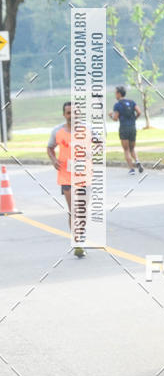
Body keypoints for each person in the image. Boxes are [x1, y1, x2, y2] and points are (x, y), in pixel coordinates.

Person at [47, 101, 87, 258]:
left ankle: (80, 236)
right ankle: (78, 242)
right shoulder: (57, 131)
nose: (72, 115)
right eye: (69, 112)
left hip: (84, 176)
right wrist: (54, 160)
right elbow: (50, 148)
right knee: (74, 210)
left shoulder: (87, 130)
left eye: (74, 112)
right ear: (64, 115)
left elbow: (98, 146)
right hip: (66, 176)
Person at [110, 86, 143, 174]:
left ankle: (131, 169)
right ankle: (137, 161)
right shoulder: (132, 102)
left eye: (115, 93)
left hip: (124, 128)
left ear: (119, 94)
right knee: (132, 148)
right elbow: (139, 112)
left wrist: (111, 115)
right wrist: (134, 119)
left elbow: (115, 118)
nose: (115, 95)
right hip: (132, 127)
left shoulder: (117, 105)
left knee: (126, 149)